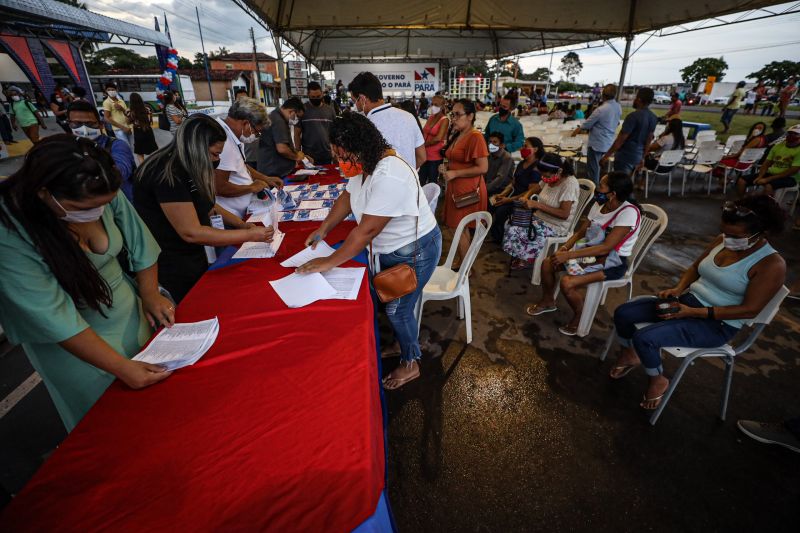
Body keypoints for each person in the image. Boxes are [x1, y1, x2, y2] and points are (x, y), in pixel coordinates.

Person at [0, 135, 174, 432]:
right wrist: (121, 367)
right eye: (82, 208)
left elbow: (140, 243)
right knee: (111, 423)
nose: (96, 214)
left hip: (128, 309)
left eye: (104, 205)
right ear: (44, 194)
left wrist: (149, 293)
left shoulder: (99, 184)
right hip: (74, 343)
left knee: (163, 407)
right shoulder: (10, 230)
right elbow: (52, 316)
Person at [296, 113, 441, 390]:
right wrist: (325, 228)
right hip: (390, 247)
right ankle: (402, 342)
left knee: (398, 310)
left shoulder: (390, 174)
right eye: (336, 155)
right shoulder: (365, 165)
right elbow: (348, 197)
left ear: (362, 147)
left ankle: (412, 362)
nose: (340, 162)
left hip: (416, 250)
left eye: (343, 155)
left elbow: (366, 231)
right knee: (390, 302)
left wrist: (327, 262)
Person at [610, 196, 786, 410]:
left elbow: (751, 310)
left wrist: (693, 312)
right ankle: (631, 354)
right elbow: (695, 267)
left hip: (717, 324)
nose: (727, 238)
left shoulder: (771, 264)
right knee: (624, 313)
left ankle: (658, 379)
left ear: (762, 233)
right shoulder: (722, 240)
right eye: (725, 231)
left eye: (735, 235)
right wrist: (678, 289)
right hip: (688, 302)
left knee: (645, 338)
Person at [134, 115, 274, 303]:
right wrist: (249, 236)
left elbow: (207, 205)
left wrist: (243, 226)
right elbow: (191, 232)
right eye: (214, 154)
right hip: (170, 263)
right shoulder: (167, 174)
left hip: (193, 256)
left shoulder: (189, 165)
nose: (217, 161)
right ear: (197, 148)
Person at [527, 172, 641, 336]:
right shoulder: (599, 204)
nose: (598, 188)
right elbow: (582, 232)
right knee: (547, 263)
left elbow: (606, 248)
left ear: (613, 193)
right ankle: (548, 301)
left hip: (612, 263)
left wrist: (568, 256)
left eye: (601, 185)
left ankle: (580, 316)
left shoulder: (628, 212)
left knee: (568, 282)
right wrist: (565, 248)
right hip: (590, 256)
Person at [502, 153, 580, 270]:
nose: (544, 178)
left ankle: (527, 258)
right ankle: (523, 255)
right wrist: (526, 197)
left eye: (545, 175)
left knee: (518, 230)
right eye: (542, 175)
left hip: (556, 225)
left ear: (559, 171)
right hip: (539, 218)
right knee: (511, 222)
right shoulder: (549, 177)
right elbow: (536, 188)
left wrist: (537, 205)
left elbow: (564, 214)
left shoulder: (570, 184)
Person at [439, 99, 489, 267]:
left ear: (470, 116)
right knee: (460, 228)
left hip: (467, 190)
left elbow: (483, 167)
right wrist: (446, 167)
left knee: (457, 228)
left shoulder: (475, 137)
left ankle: (465, 268)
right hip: (456, 187)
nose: (453, 118)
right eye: (452, 114)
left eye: (458, 115)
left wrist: (455, 173)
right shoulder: (458, 134)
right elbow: (453, 158)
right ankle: (463, 261)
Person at [217, 97, 282, 218]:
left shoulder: (233, 135)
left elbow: (240, 165)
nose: (255, 136)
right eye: (257, 132)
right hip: (230, 216)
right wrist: (251, 188)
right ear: (246, 123)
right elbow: (219, 187)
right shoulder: (223, 141)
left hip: (242, 211)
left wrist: (265, 178)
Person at [349, 72, 426, 168]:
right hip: (410, 181)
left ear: (362, 98)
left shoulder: (364, 126)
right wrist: (407, 174)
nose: (355, 106)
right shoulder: (409, 117)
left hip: (380, 182)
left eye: (354, 101)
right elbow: (422, 157)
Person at [67, 100, 136, 202]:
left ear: (100, 124)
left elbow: (120, 172)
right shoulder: (66, 147)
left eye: (90, 124)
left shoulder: (116, 145)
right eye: (77, 123)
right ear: (69, 124)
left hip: (121, 201)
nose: (84, 128)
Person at [490, 137, 544, 242]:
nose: (522, 149)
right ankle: (495, 234)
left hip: (523, 199)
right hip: (513, 195)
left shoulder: (536, 168)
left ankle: (502, 239)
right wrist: (503, 194)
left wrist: (508, 200)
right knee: (492, 202)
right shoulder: (521, 164)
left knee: (501, 210)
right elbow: (512, 183)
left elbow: (531, 192)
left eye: (525, 146)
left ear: (535, 149)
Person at [601, 87, 657, 176]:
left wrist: (606, 156)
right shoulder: (653, 117)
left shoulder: (633, 116)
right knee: (627, 184)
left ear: (639, 99)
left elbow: (620, 140)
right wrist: (643, 158)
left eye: (635, 97)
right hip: (638, 157)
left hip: (625, 157)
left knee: (620, 184)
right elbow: (649, 140)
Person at [573, 84, 622, 185]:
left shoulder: (601, 110)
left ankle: (594, 190)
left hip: (597, 144)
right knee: (600, 169)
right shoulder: (618, 107)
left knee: (594, 170)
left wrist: (576, 130)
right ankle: (601, 187)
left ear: (603, 95)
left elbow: (586, 125)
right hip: (609, 142)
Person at [737, 124, 800, 198]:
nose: (792, 135)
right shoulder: (778, 146)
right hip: (771, 173)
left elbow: (792, 171)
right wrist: (760, 176)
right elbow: (766, 163)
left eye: (796, 134)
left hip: (790, 177)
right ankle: (742, 202)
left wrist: (767, 179)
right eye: (790, 133)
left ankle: (766, 207)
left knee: (769, 186)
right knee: (742, 180)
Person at [258, 96, 307, 179]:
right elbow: (282, 149)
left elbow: (285, 145)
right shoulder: (278, 121)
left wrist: (300, 155)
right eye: (298, 117)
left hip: (274, 171)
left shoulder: (277, 117)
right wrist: (296, 157)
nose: (298, 120)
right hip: (274, 173)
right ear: (292, 112)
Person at [299, 81, 336, 165]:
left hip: (326, 154)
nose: (316, 98)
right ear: (308, 95)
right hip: (308, 156)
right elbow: (297, 133)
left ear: (322, 94)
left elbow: (335, 132)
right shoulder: (302, 110)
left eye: (318, 96)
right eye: (313, 97)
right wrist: (298, 153)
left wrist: (335, 151)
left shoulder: (330, 110)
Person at [418, 94, 450, 186]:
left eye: (436, 105)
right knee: (421, 181)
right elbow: (424, 132)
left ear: (442, 106)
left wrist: (422, 145)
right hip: (424, 155)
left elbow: (438, 138)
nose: (433, 107)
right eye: (432, 104)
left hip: (434, 157)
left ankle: (433, 200)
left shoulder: (445, 120)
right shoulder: (431, 117)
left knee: (432, 183)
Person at [128, 93, 158, 164]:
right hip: (148, 131)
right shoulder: (147, 109)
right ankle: (156, 164)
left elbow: (128, 122)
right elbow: (150, 122)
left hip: (138, 133)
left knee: (140, 153)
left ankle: (143, 168)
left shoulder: (130, 112)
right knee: (153, 150)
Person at [233, 89, 259, 168]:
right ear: (235, 101)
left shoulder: (257, 114)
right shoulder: (233, 117)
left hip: (261, 157)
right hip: (246, 159)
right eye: (240, 99)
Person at [485, 132, 515, 196]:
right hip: (488, 186)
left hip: (500, 191)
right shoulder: (489, 155)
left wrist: (485, 189)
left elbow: (500, 178)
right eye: (490, 142)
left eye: (495, 142)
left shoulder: (507, 158)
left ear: (501, 145)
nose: (491, 144)